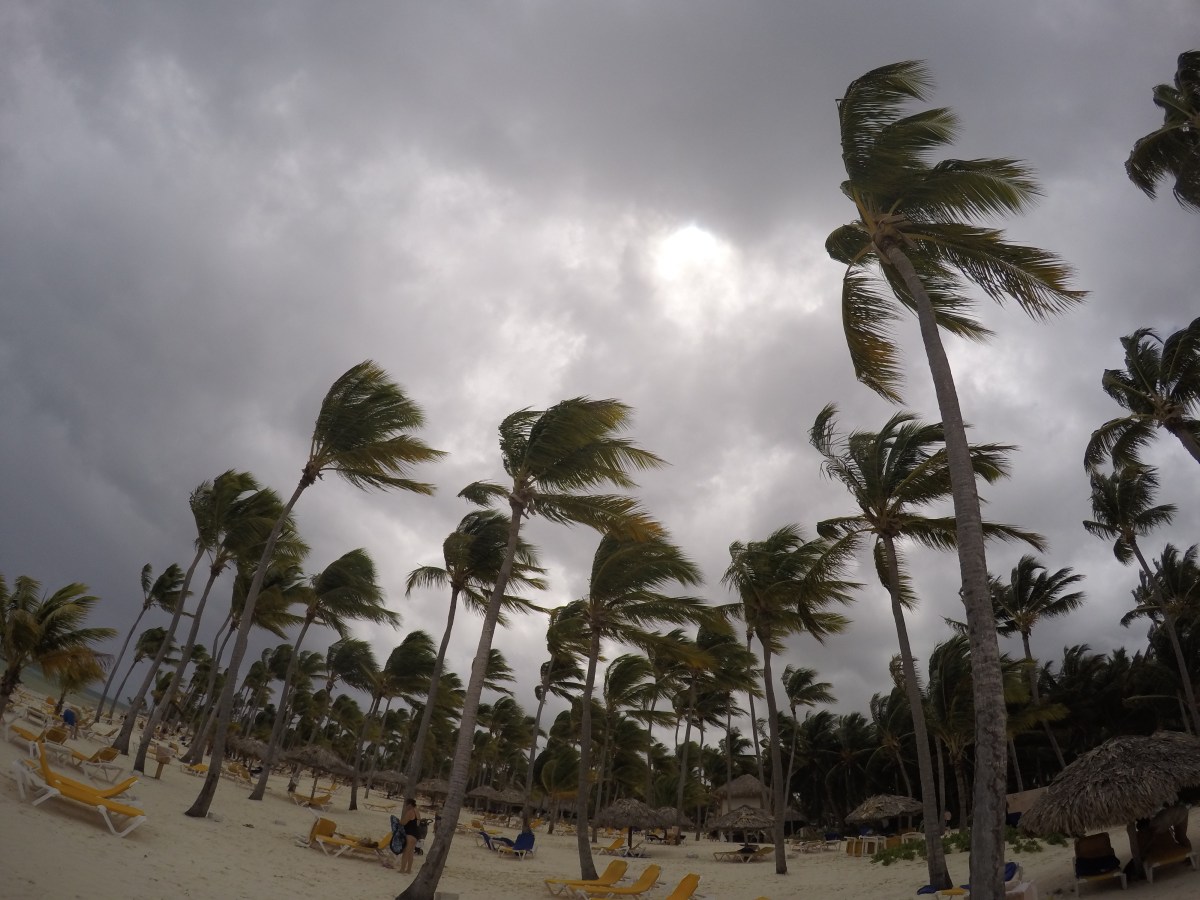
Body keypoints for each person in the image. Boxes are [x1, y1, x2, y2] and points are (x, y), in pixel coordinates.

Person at [398, 798, 420, 874]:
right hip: (416, 834)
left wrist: (399, 821)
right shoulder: (416, 811)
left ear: (410, 804)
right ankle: (409, 870)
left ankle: (402, 869)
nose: (406, 806)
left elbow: (403, 823)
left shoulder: (410, 812)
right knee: (411, 853)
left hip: (409, 834)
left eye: (406, 804)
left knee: (406, 852)